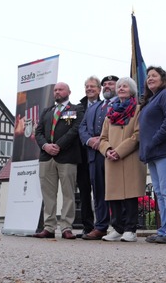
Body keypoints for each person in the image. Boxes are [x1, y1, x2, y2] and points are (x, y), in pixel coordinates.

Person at [139, 66, 166, 244]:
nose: (150, 78)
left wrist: (154, 141)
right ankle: (165, 228)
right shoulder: (152, 99)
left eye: (154, 75)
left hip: (165, 150)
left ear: (162, 78)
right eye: (148, 76)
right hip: (153, 153)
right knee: (159, 191)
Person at [98, 77, 146, 242]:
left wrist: (119, 151)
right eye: (119, 87)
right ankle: (117, 228)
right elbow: (102, 138)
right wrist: (108, 150)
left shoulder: (138, 110)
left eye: (125, 86)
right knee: (114, 195)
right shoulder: (110, 113)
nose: (121, 88)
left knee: (130, 195)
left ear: (132, 90)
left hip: (130, 157)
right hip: (112, 159)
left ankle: (130, 229)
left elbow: (138, 134)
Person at [33, 82, 84, 239]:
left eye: (60, 89)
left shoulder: (76, 109)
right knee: (48, 194)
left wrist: (59, 145)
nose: (57, 92)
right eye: (55, 90)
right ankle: (49, 227)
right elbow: (38, 132)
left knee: (68, 193)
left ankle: (66, 227)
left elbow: (75, 130)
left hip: (67, 157)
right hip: (46, 157)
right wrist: (46, 146)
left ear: (69, 91)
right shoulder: (47, 111)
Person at [78, 75, 118, 240]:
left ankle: (118, 226)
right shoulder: (94, 107)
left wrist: (103, 142)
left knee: (115, 191)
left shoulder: (121, 104)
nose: (108, 86)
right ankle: (100, 226)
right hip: (94, 155)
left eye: (111, 84)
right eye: (105, 84)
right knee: (99, 191)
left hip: (113, 152)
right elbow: (82, 127)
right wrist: (89, 140)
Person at [75, 77, 99, 238]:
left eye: (92, 86)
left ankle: (102, 225)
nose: (89, 89)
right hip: (82, 156)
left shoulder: (105, 105)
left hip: (99, 154)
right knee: (84, 192)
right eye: (87, 86)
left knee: (100, 191)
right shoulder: (78, 107)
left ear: (99, 89)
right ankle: (87, 226)